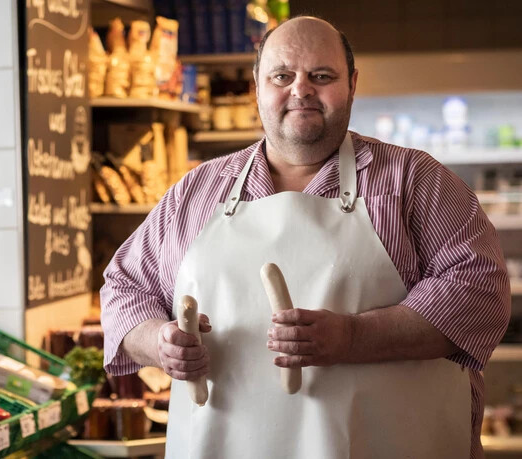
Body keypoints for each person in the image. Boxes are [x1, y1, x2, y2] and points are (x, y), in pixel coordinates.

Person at [100, 16, 510, 459]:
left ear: (352, 84)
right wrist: (159, 342)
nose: (301, 90)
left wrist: (353, 338)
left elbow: (480, 291)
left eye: (321, 76)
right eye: (282, 76)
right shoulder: (194, 192)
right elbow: (124, 289)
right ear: (257, 87)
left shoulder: (416, 181)